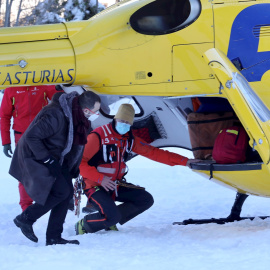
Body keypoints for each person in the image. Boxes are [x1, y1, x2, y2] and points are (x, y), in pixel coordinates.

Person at [75, 104, 200, 235]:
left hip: (114, 185)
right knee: (113, 216)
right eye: (122, 121)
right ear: (115, 119)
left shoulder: (128, 139)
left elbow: (153, 153)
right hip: (94, 186)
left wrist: (185, 161)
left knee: (145, 199)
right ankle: (85, 224)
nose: (124, 125)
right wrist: (101, 178)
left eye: (127, 123)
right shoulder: (98, 136)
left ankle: (109, 219)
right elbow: (79, 163)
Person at [9, 90, 101, 246]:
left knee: (67, 193)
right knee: (61, 191)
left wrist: (72, 166)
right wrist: (47, 159)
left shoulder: (77, 117)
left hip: (57, 157)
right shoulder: (56, 114)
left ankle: (54, 237)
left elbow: (72, 144)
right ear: (86, 110)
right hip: (35, 155)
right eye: (95, 112)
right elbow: (32, 137)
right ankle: (25, 219)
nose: (95, 115)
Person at [0, 85, 62, 211]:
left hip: (43, 135)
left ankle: (48, 203)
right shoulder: (10, 89)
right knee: (25, 173)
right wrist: (6, 141)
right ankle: (26, 207)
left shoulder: (42, 84)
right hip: (22, 136)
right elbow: (4, 116)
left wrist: (63, 86)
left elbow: (60, 99)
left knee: (48, 167)